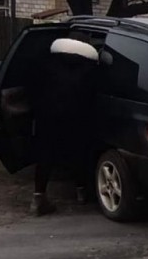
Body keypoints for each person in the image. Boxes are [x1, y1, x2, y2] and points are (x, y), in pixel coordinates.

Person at [28, 37, 99, 216]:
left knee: (45, 156)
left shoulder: (45, 64)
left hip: (48, 118)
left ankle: (38, 199)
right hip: (76, 118)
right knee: (79, 153)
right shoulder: (90, 68)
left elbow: (31, 90)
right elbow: (94, 96)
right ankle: (82, 192)